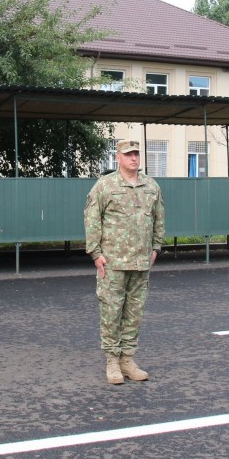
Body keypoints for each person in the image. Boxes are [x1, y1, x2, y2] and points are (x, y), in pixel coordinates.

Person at [84, 139, 165, 385]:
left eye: (136, 154)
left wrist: (155, 248)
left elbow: (158, 218)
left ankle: (127, 359)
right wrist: (96, 253)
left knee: (134, 313)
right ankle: (112, 361)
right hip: (113, 262)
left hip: (141, 262)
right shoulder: (105, 185)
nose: (134, 158)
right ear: (117, 157)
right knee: (111, 312)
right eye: (128, 154)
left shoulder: (151, 186)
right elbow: (91, 219)